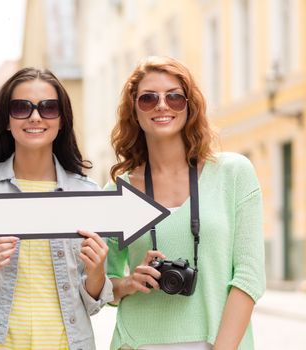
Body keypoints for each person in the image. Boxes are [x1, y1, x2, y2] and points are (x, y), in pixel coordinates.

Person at [105, 56, 265, 350]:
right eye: (148, 99)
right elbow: (101, 285)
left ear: (189, 106)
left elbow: (249, 276)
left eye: (175, 97)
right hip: (136, 343)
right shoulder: (122, 189)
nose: (162, 105)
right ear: (134, 112)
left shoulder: (233, 174)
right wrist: (128, 283)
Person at [0, 67, 113, 350]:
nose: (35, 116)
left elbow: (94, 302)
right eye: (21, 107)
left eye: (48, 108)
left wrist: (98, 270)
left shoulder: (86, 193)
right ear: (6, 120)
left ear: (62, 120)